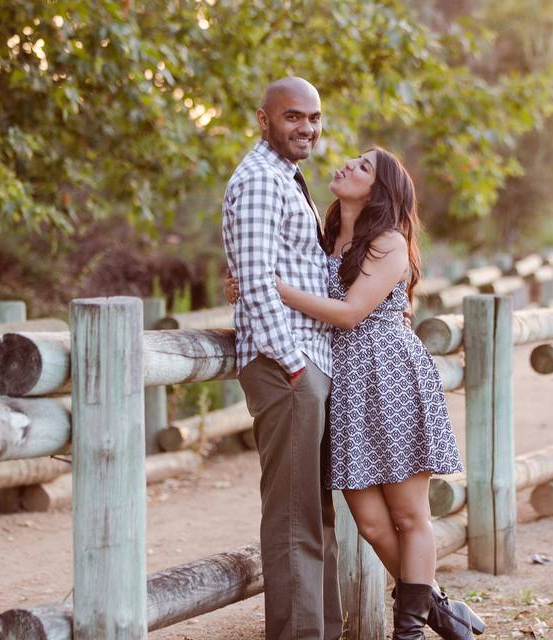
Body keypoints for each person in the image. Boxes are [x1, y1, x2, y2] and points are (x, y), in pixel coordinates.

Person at [227, 147, 485, 640]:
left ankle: (407, 631)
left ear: (379, 189)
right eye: (354, 161)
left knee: (409, 514)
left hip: (389, 376)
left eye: (363, 167)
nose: (347, 166)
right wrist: (244, 285)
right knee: (368, 523)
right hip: (345, 384)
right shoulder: (326, 240)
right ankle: (436, 608)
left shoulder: (387, 241)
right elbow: (299, 286)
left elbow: (348, 314)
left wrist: (271, 287)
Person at [222, 77, 341, 640]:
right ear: (263, 119)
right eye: (294, 117)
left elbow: (278, 271)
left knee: (315, 514)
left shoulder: (286, 179)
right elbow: (256, 283)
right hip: (286, 368)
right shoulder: (262, 182)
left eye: (314, 118)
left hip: (306, 364)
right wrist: (294, 364)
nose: (308, 129)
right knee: (295, 519)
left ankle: (325, 629)